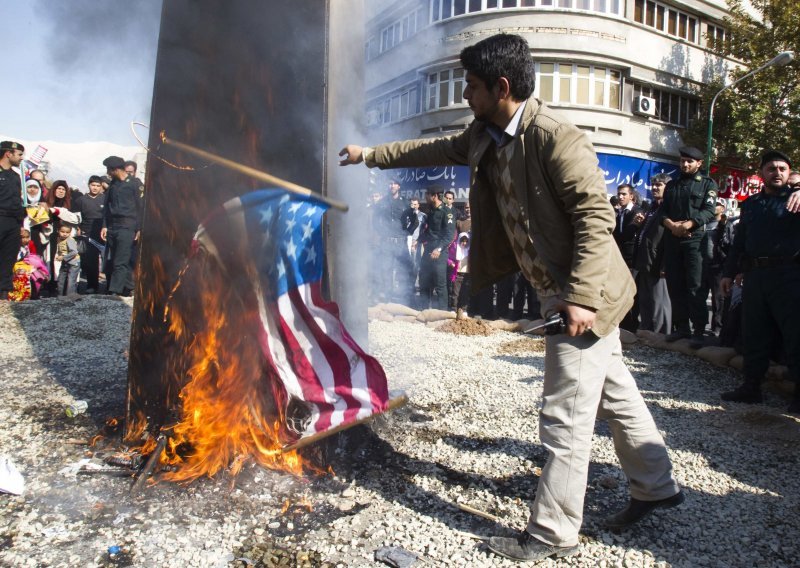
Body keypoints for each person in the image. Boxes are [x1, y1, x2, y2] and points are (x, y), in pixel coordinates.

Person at [339, 33, 681, 563]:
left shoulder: (555, 138)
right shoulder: (483, 133)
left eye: (471, 87)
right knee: (616, 394)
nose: (465, 95)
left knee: (564, 417)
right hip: (557, 293)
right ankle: (656, 486)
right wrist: (371, 156)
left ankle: (550, 535)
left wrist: (581, 299)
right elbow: (432, 148)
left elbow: (596, 219)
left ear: (502, 87)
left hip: (583, 296)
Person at [720, 150, 800, 414]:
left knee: (795, 334)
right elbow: (739, 243)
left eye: (782, 168)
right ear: (762, 172)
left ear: (789, 173)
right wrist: (728, 274)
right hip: (755, 276)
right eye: (771, 168)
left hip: (788, 275)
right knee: (754, 332)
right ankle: (751, 387)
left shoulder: (796, 200)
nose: (777, 172)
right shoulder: (751, 204)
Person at [659, 146, 718, 349]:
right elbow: (662, 211)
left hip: (694, 240)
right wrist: (673, 225)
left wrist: (688, 224)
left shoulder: (707, 184)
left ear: (699, 163)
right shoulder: (672, 185)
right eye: (683, 160)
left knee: (695, 286)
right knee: (675, 285)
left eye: (690, 161)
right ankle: (681, 327)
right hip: (673, 239)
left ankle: (699, 330)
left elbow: (709, 211)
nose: (685, 164)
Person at [634, 174, 672, 334]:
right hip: (644, 261)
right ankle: (646, 333)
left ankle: (660, 335)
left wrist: (665, 264)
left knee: (659, 302)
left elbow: (669, 239)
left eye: (660, 185)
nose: (655, 187)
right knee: (645, 300)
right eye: (654, 184)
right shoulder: (651, 207)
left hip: (658, 263)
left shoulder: (670, 208)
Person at [101, 155, 143, 296]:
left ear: (116, 169)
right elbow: (107, 206)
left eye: (109, 169)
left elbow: (140, 207)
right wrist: (105, 225)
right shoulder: (113, 184)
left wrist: (139, 228)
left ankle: (115, 291)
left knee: (121, 260)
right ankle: (128, 287)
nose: (108, 172)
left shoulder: (134, 184)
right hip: (113, 226)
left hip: (127, 226)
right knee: (113, 259)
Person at [416, 187, 449, 310]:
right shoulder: (431, 211)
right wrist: (417, 240)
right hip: (429, 249)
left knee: (440, 284)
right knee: (424, 280)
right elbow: (429, 231)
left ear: (434, 196)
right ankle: (424, 309)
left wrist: (439, 249)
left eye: (427, 195)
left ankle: (442, 314)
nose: (425, 197)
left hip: (440, 253)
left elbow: (449, 235)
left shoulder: (447, 211)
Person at [0, 141, 26, 299]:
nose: (22, 158)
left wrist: (21, 223)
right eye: (19, 154)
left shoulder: (16, 176)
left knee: (9, 258)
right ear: (8, 153)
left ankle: (3, 294)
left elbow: (17, 201)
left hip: (13, 222)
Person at [74, 175, 107, 293]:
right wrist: (78, 228)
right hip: (87, 233)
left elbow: (108, 216)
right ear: (89, 185)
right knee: (90, 261)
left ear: (101, 187)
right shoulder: (81, 200)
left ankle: (109, 287)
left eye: (98, 186)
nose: (95, 188)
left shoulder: (105, 199)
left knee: (107, 260)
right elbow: (76, 217)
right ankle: (92, 286)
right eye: (93, 185)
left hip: (103, 233)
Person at [54, 223, 80, 295]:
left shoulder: (69, 240)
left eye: (67, 232)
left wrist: (63, 257)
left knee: (71, 280)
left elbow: (74, 252)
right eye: (62, 232)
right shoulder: (59, 239)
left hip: (74, 262)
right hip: (66, 262)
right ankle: (60, 294)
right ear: (58, 231)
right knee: (61, 278)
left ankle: (70, 295)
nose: (65, 234)